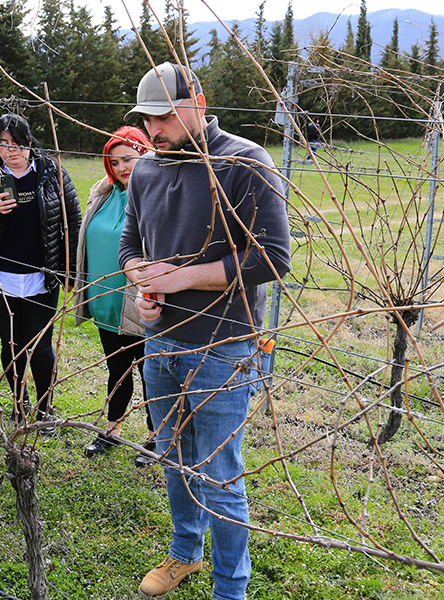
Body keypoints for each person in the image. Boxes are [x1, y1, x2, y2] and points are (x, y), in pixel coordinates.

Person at [119, 63, 291, 600]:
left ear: (197, 99)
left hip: (224, 346)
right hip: (160, 342)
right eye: (147, 120)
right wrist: (144, 285)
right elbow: (130, 244)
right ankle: (185, 554)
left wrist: (183, 277)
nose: (154, 131)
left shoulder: (242, 162)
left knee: (219, 473)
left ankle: (230, 589)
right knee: (173, 456)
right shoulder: (145, 170)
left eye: (165, 117)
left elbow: (272, 257)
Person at [0, 113, 81, 429]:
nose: (10, 150)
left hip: (43, 278)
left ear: (29, 143)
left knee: (40, 347)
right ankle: (18, 404)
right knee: (12, 347)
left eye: (16, 143)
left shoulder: (52, 174)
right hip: (2, 279)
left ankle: (44, 409)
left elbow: (73, 223)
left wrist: (69, 270)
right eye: (3, 144)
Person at [74, 126, 156, 465]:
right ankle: (112, 430)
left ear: (146, 155)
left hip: (141, 302)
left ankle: (158, 437)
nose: (122, 167)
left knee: (152, 374)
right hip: (105, 302)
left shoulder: (156, 195)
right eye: (114, 160)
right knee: (117, 369)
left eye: (129, 159)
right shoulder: (103, 192)